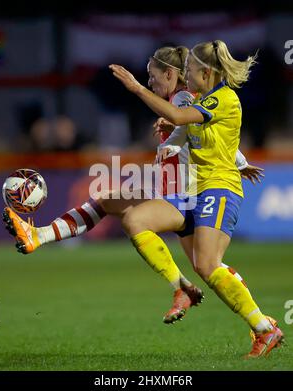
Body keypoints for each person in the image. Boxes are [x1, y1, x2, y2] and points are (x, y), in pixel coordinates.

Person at [3, 46, 263, 328]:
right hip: (176, 191)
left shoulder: (184, 97)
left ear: (170, 73)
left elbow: (188, 121)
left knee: (202, 262)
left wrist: (139, 90)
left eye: (153, 76)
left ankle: (192, 292)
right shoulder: (188, 100)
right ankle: (38, 235)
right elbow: (212, 135)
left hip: (184, 194)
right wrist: (240, 161)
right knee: (110, 203)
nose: (150, 82)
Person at [107, 40, 283, 358]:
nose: (185, 76)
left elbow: (179, 114)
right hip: (194, 193)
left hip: (219, 189)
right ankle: (185, 288)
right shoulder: (204, 101)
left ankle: (265, 329)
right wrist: (171, 128)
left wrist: (136, 89)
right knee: (136, 220)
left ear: (205, 72)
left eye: (188, 70)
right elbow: (182, 127)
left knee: (208, 264)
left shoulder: (224, 99)